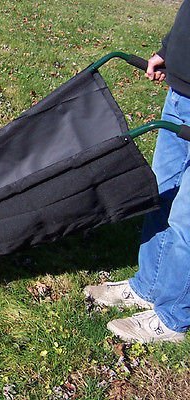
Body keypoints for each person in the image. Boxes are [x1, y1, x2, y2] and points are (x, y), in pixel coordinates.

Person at [84, 0, 190, 343]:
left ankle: (174, 317)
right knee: (161, 194)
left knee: (187, 220)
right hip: (181, 94)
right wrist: (169, 51)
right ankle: (149, 286)